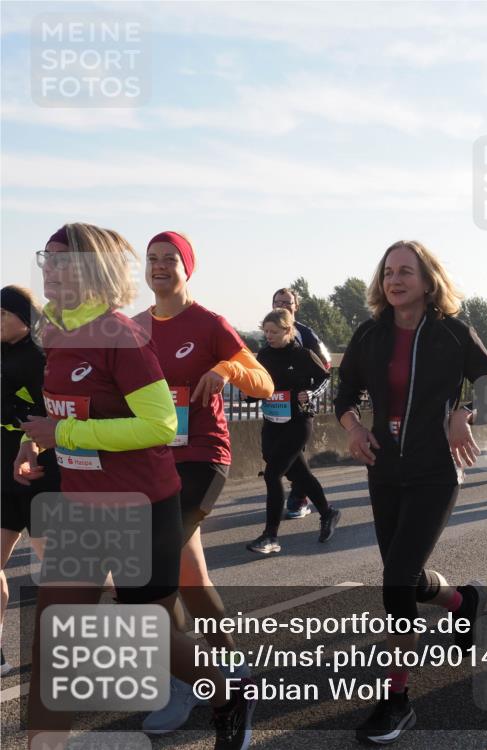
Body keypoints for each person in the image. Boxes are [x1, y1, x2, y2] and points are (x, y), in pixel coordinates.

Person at [18, 223, 254, 748]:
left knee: (148, 636)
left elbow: (160, 425)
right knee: (51, 635)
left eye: (62, 261)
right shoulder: (54, 332)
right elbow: (60, 405)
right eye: (46, 259)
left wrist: (65, 432)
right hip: (80, 507)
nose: (49, 270)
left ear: (92, 271)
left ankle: (225, 693)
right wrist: (34, 442)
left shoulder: (119, 335)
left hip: (142, 507)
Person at [334, 240, 487, 744]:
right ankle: (462, 601)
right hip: (383, 469)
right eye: (388, 272)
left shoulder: (452, 333)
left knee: (396, 581)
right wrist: (352, 427)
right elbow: (344, 393)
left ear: (428, 281)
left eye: (406, 271)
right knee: (403, 577)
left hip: (436, 471)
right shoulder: (369, 334)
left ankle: (397, 700)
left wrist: (464, 412)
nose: (395, 279)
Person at [138, 232, 274, 732]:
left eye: (168, 259)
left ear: (186, 268)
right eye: (151, 259)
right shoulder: (133, 329)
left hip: (201, 459)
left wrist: (224, 369)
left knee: (158, 573)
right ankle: (230, 670)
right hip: (151, 464)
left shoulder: (210, 323)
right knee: (191, 575)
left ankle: (184, 681)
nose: (158, 267)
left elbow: (261, 382)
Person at [1, 285, 58, 676]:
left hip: (40, 471)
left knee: (57, 572)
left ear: (25, 318)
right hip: (4, 470)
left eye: (3, 314)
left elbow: (52, 415)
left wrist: (32, 446)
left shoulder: (41, 359)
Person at [247, 308, 338, 554]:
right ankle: (328, 513)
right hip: (272, 424)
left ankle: (270, 536)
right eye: (265, 331)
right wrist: (250, 392)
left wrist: (310, 393)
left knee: (272, 475)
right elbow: (255, 389)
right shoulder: (263, 355)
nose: (269, 336)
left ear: (288, 331)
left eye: (274, 331)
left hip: (298, 423)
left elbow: (325, 379)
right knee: (300, 475)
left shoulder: (304, 355)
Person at [272, 287, 330, 519]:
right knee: (276, 452)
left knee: (296, 451)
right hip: (275, 405)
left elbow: (325, 367)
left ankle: (299, 497)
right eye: (278, 302)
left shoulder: (306, 334)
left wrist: (310, 391)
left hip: (301, 406)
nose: (282, 306)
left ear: (296, 307)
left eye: (287, 303)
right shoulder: (269, 331)